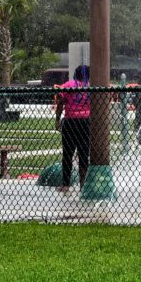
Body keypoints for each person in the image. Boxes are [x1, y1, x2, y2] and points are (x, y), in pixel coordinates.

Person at [54, 64, 90, 193]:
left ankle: (66, 185)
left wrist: (57, 119)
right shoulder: (91, 86)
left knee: (67, 154)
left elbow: (60, 101)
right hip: (86, 122)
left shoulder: (69, 85)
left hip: (70, 121)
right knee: (84, 154)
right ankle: (83, 184)